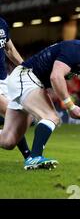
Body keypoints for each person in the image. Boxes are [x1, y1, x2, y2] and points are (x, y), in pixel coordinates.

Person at [0, 20, 80, 170]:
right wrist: (70, 106)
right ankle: (34, 158)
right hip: (25, 78)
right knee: (51, 117)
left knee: (8, 140)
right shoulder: (75, 49)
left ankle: (33, 157)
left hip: (23, 79)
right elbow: (56, 76)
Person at [0, 17, 33, 161]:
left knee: (11, 136)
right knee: (15, 115)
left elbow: (10, 49)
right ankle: (30, 157)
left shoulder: (1, 23)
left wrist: (26, 68)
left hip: (3, 79)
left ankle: (29, 156)